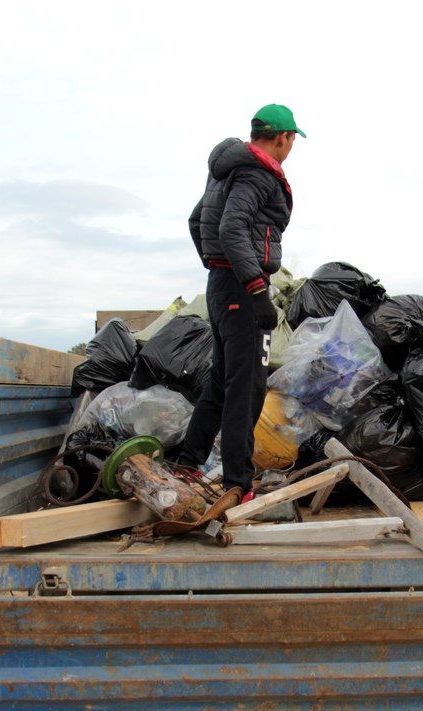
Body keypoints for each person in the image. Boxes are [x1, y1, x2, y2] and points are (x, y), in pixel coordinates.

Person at [176, 104, 305, 498]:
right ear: (282, 137)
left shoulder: (225, 170)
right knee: (246, 388)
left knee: (221, 382)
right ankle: (238, 482)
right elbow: (232, 225)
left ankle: (187, 463)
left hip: (221, 284)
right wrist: (253, 288)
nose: (292, 147)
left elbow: (197, 220)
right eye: (293, 140)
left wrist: (214, 263)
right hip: (241, 289)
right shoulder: (256, 172)